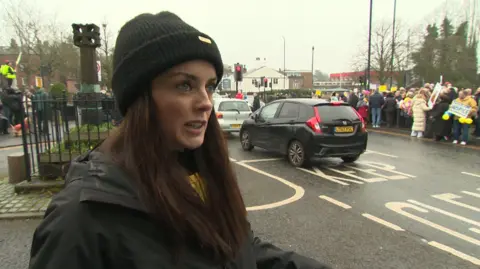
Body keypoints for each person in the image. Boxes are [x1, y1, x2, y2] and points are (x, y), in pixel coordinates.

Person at [29, 11, 329, 269]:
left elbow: (240, 251)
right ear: (140, 98)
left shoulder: (203, 173)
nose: (206, 103)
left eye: (209, 86)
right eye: (184, 85)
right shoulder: (81, 218)